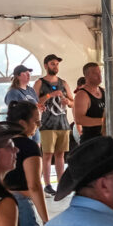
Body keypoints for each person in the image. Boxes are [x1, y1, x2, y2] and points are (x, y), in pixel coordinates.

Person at [1, 101, 50, 226]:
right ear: (22, 123)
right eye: (35, 122)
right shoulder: (28, 147)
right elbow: (34, 186)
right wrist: (46, 219)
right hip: (21, 207)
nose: (36, 127)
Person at [36, 55, 73, 192]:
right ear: (45, 66)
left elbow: (72, 102)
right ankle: (47, 185)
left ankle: (61, 183)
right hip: (47, 125)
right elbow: (34, 102)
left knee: (60, 155)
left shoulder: (63, 83)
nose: (55, 66)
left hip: (63, 124)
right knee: (47, 155)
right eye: (52, 64)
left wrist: (67, 102)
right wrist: (49, 96)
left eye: (57, 64)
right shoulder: (40, 83)